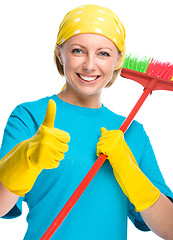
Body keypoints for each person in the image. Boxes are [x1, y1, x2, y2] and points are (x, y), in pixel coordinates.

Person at [0, 4, 173, 240]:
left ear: (119, 60)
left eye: (103, 53)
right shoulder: (30, 117)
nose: (90, 65)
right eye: (78, 51)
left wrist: (130, 172)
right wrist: (25, 159)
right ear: (60, 52)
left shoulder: (132, 133)